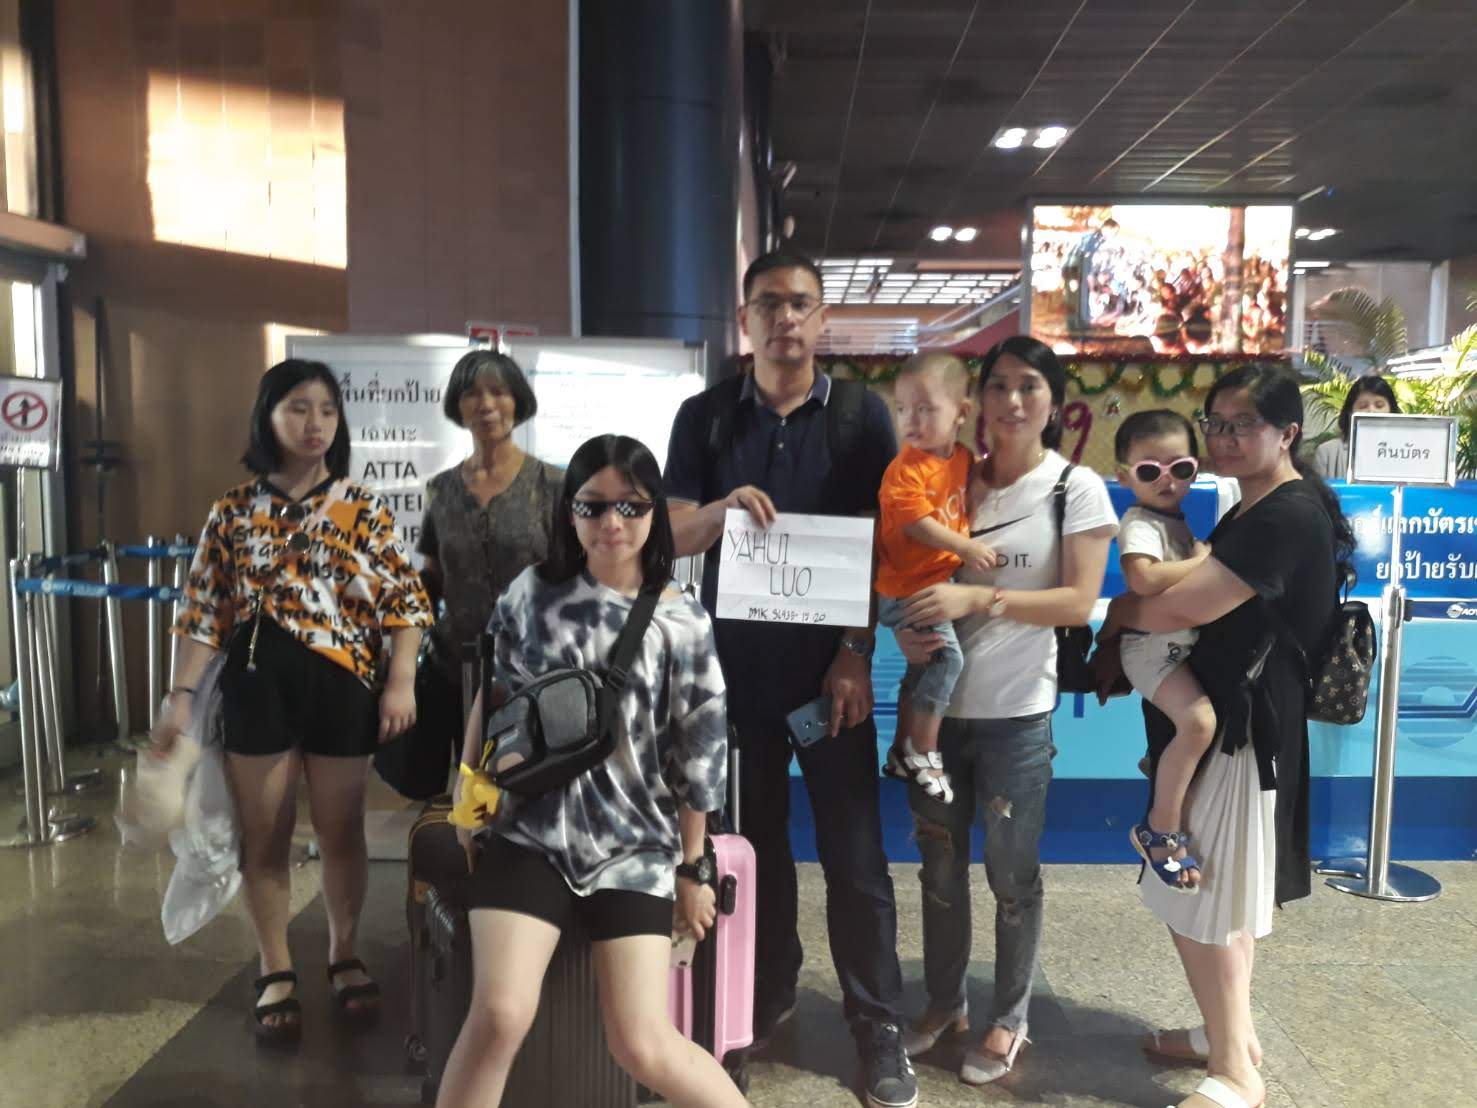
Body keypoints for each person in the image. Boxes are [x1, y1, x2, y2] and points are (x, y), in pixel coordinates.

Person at [664, 249, 918, 1108]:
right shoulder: (704, 419)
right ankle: (760, 996)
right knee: (753, 850)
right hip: (731, 682)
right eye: (768, 303)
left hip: (829, 683)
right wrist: (720, 510)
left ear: (821, 319)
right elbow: (669, 532)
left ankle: (876, 1022)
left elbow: (881, 545)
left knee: (854, 855)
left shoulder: (858, 417)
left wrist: (855, 653)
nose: (784, 317)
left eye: (800, 303)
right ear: (744, 319)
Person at [436, 434, 747, 1108]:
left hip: (634, 845)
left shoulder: (682, 620)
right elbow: (492, 698)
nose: (612, 523)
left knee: (642, 1043)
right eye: (592, 505)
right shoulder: (533, 593)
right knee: (499, 1015)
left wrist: (692, 867)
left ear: (654, 512)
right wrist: (469, 799)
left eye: (631, 507)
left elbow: (700, 751)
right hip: (531, 832)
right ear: (568, 511)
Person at [155, 358, 433, 1041]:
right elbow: (204, 612)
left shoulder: (362, 506)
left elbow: (404, 602)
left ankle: (344, 952)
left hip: (343, 684)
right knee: (266, 836)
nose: (315, 423)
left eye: (327, 411)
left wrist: (401, 679)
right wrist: (180, 696)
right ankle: (274, 964)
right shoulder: (232, 510)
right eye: (299, 408)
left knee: (342, 831)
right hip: (259, 683)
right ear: (268, 416)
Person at [1096, 364, 1351, 1108]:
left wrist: (1115, 613)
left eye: (1245, 424)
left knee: (1199, 898)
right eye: (1217, 424)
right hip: (1229, 720)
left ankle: (1238, 1070)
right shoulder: (1252, 508)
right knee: (1211, 896)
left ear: (1287, 433)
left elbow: (1177, 609)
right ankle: (1223, 1036)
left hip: (1243, 730)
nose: (1227, 438)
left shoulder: (1284, 515)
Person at [893, 335, 1117, 1086]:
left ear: (1053, 402)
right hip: (934, 711)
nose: (1012, 401)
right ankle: (944, 1001)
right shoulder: (949, 476)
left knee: (1011, 873)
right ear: (975, 401)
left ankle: (1010, 1015)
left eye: (1029, 386)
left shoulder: (1072, 488)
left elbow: (1077, 603)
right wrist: (902, 626)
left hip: (1016, 715)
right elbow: (905, 566)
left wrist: (978, 597)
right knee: (937, 866)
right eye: (997, 386)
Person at [419, 350, 563, 727]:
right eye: (472, 393)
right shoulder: (441, 490)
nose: (485, 405)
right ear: (457, 405)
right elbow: (432, 577)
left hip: (535, 670)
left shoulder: (552, 485)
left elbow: (573, 578)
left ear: (518, 400)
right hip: (453, 668)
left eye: (498, 392)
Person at [876, 352, 992, 805]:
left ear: (962, 412)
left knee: (923, 666)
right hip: (908, 587)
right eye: (902, 408)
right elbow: (916, 524)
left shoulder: (962, 459)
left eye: (925, 408)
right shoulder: (904, 469)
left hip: (930, 583)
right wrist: (966, 547)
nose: (911, 420)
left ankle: (899, 752)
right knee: (947, 662)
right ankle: (923, 752)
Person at [1109, 410, 1216, 892]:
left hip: (1174, 647)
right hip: (1151, 651)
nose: (1166, 480)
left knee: (1194, 729)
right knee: (1199, 724)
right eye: (1150, 471)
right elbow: (1143, 578)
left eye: (1181, 468)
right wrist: (1201, 562)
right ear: (1124, 477)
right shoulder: (1139, 523)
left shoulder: (1174, 521)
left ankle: (1163, 765)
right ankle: (1158, 830)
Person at [1312, 374, 1401, 480]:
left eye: (1379, 406)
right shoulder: (1327, 452)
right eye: (1363, 406)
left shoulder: (1404, 452)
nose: (1371, 411)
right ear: (1350, 412)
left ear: (1391, 411)